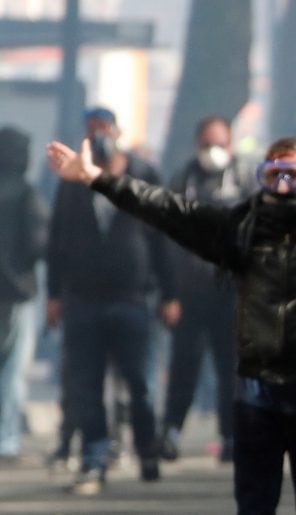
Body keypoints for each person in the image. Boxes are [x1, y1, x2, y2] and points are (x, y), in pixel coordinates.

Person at [46, 135, 296, 514]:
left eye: (292, 174)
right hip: (257, 388)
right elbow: (167, 208)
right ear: (260, 176)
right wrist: (98, 178)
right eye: (273, 173)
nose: (282, 185)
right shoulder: (240, 229)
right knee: (254, 503)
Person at [46, 106, 180, 495]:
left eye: (103, 130)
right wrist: (54, 294)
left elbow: (162, 238)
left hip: (132, 298)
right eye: (90, 131)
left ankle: (146, 450)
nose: (98, 137)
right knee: (86, 384)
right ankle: (94, 457)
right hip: (83, 299)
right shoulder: (71, 181)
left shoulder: (144, 175)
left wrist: (169, 293)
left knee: (139, 383)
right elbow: (58, 242)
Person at [160, 115, 251, 464]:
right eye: (207, 144)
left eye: (220, 143)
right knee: (185, 364)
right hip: (190, 293)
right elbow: (167, 236)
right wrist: (169, 293)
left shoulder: (244, 179)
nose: (213, 151)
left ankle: (231, 436)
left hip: (232, 294)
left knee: (231, 368)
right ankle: (170, 431)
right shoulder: (184, 179)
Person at [0, 126, 49, 463]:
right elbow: (38, 243)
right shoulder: (27, 194)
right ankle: (6, 439)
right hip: (17, 294)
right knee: (13, 371)